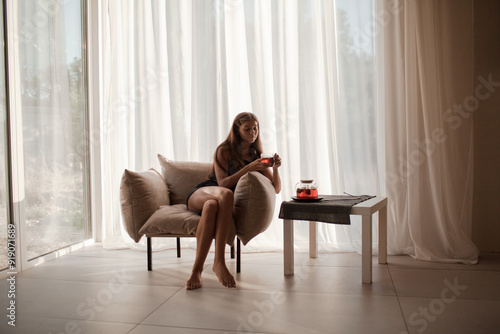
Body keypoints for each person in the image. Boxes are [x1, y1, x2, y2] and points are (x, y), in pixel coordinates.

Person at [185, 112, 281, 290]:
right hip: (204, 192)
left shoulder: (255, 154)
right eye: (247, 129)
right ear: (237, 131)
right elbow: (223, 183)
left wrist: (275, 168)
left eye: (255, 128)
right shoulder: (224, 150)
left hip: (216, 202)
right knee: (225, 195)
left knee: (212, 206)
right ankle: (219, 261)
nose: (253, 132)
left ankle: (196, 272)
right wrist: (249, 168)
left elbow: (276, 188)